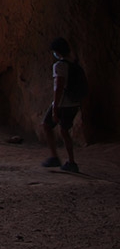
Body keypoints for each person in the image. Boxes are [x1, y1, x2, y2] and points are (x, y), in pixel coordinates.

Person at [41, 37, 83, 173]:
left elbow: (59, 87)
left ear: (57, 52)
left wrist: (55, 107)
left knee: (47, 125)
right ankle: (71, 161)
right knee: (64, 131)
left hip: (63, 103)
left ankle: (55, 157)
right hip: (74, 103)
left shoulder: (59, 66)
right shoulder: (75, 64)